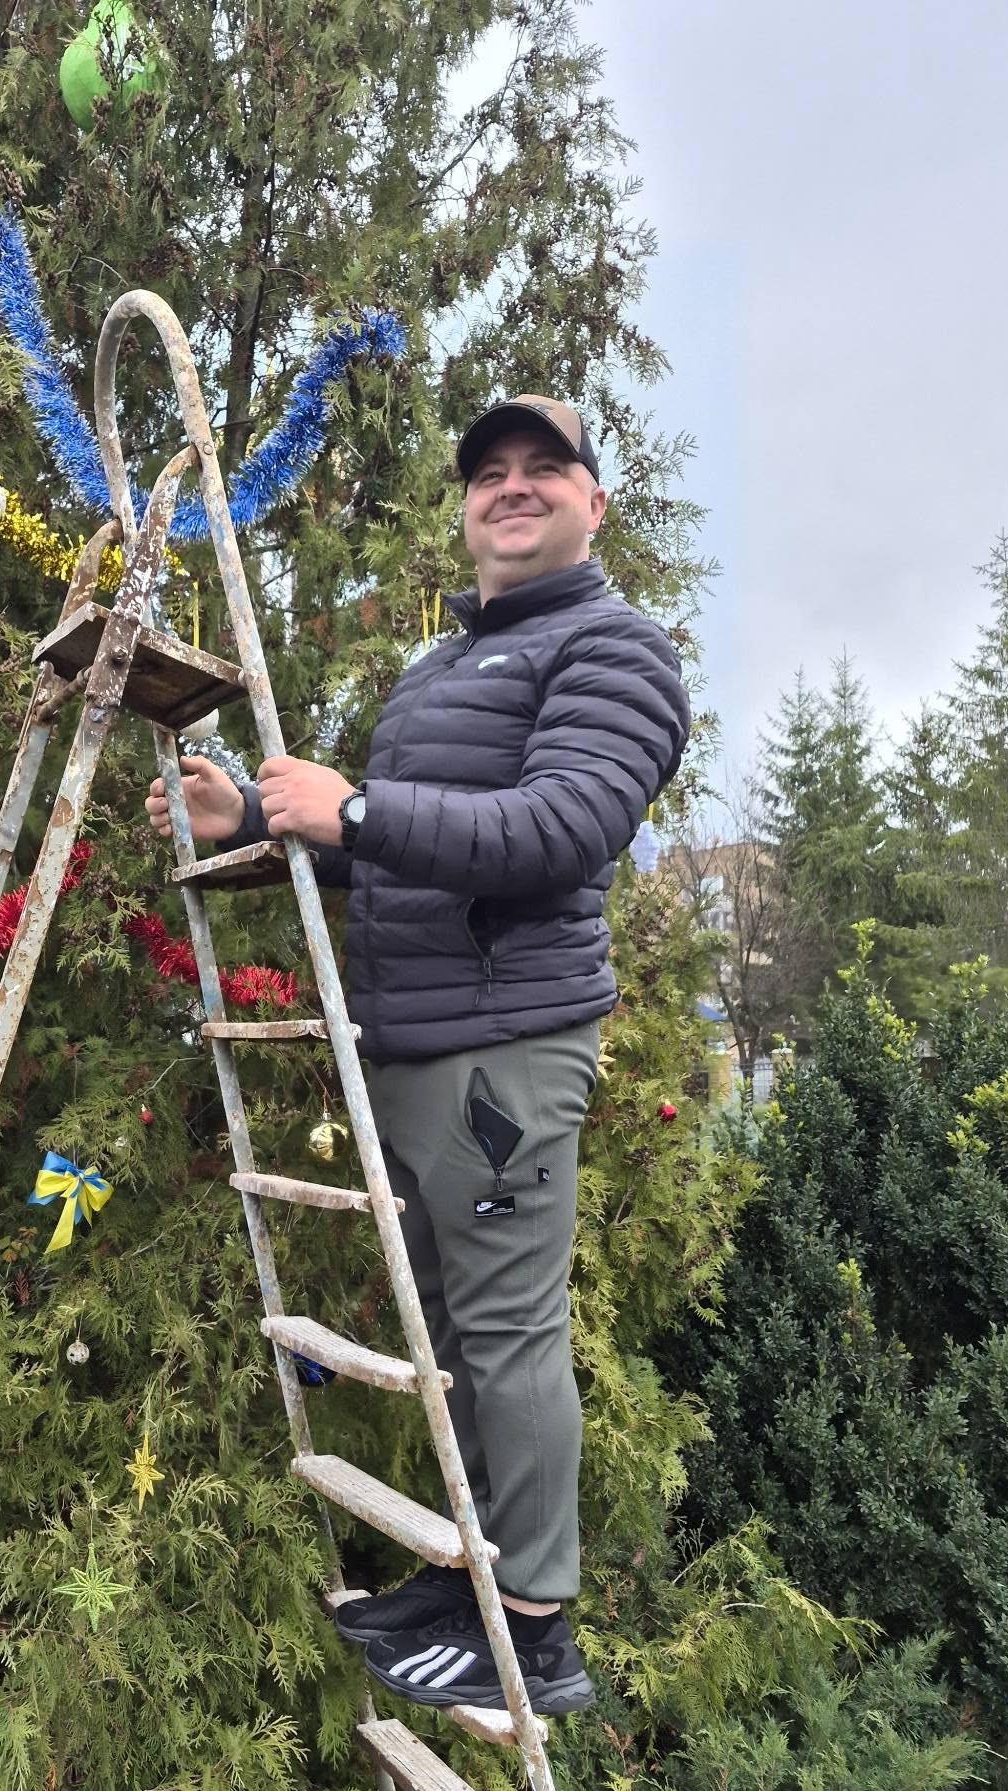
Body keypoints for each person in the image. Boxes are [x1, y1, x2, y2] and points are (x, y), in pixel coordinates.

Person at [145, 395, 690, 1714]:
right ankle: (478, 1585)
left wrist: (358, 805)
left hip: (505, 1052)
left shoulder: (613, 649)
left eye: (542, 470)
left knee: (506, 1334)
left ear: (591, 503)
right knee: (458, 1326)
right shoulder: (440, 671)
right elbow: (397, 878)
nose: (511, 488)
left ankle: (538, 1632)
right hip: (419, 1051)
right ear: (466, 506)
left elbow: (559, 830)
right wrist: (254, 832)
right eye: (489, 473)